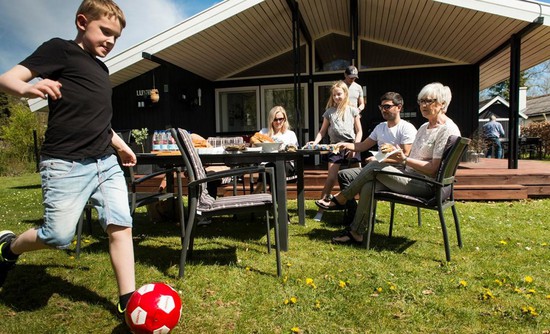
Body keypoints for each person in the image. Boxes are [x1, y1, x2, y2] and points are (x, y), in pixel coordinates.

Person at [0, 0, 135, 318]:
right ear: (81, 21)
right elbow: (7, 79)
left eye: (116, 37)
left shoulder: (101, 70)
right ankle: (8, 247)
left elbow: (99, 119)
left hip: (105, 162)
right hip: (66, 164)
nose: (110, 41)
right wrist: (29, 88)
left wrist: (119, 145)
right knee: (58, 236)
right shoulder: (59, 50)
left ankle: (128, 299)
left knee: (121, 225)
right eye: (105, 31)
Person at [316, 82, 454, 245]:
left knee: (374, 166)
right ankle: (356, 233)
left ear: (442, 104)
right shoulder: (424, 127)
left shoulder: (445, 130)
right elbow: (366, 145)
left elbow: (432, 170)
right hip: (408, 176)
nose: (423, 105)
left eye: (428, 101)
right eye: (421, 101)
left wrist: (401, 159)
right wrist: (348, 145)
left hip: (426, 184)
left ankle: (342, 198)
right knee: (368, 185)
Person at [335, 92, 417, 225]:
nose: (383, 110)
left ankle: (343, 202)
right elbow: (362, 146)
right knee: (344, 175)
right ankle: (354, 212)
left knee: (370, 174)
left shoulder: (406, 128)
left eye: (387, 106)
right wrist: (345, 145)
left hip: (398, 173)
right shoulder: (380, 127)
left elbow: (405, 156)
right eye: (381, 107)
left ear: (399, 107)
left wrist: (379, 160)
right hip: (376, 169)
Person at [306, 81, 363, 221]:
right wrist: (316, 141)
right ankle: (321, 210)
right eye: (334, 95)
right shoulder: (329, 112)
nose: (337, 97)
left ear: (345, 94)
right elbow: (322, 131)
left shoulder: (353, 110)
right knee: (331, 179)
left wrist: (355, 147)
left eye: (339, 94)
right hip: (335, 147)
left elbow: (359, 131)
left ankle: (363, 209)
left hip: (351, 146)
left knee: (360, 179)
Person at [253, 106, 299, 193]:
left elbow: (294, 151)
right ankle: (276, 201)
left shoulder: (290, 134)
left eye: (280, 119)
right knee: (270, 167)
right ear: (271, 120)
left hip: (286, 164)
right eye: (275, 119)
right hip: (266, 165)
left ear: (284, 119)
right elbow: (254, 145)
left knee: (274, 166)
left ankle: (259, 190)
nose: (278, 122)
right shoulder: (263, 132)